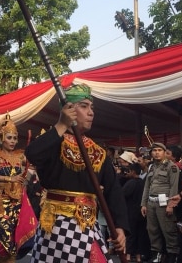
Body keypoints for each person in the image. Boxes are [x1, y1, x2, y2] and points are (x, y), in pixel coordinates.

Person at [25, 83, 129, 263]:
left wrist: (120, 226)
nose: (91, 112)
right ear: (68, 110)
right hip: (58, 227)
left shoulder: (98, 152)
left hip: (89, 224)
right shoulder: (54, 142)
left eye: (92, 107)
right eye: (84, 106)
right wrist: (61, 124)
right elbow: (32, 153)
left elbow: (113, 190)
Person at [0, 113, 37, 263]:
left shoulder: (20, 155)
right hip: (2, 202)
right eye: (9, 137)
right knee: (5, 237)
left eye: (15, 138)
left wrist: (27, 179)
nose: (13, 141)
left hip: (19, 201)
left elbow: (34, 165)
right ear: (2, 138)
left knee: (14, 238)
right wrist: (8, 178)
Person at [141, 141, 180, 263]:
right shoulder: (152, 167)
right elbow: (147, 186)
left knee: (168, 230)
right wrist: (143, 203)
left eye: (159, 150)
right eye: (154, 151)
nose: (157, 153)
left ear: (164, 152)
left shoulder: (172, 166)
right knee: (152, 230)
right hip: (151, 202)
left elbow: (174, 187)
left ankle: (172, 256)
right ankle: (156, 255)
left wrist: (171, 205)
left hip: (164, 203)